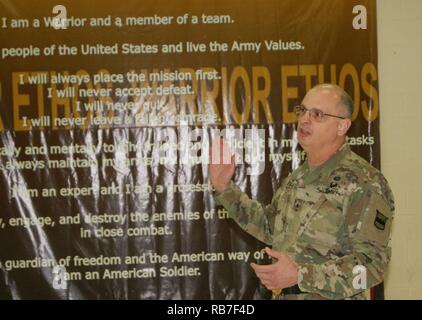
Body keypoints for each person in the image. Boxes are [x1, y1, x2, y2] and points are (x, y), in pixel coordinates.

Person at [209, 84, 394, 300]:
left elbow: (372, 267)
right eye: (303, 111)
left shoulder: (365, 182)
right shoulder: (297, 178)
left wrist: (301, 275)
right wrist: (225, 188)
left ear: (342, 126)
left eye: (317, 114)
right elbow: (270, 226)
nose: (305, 119)